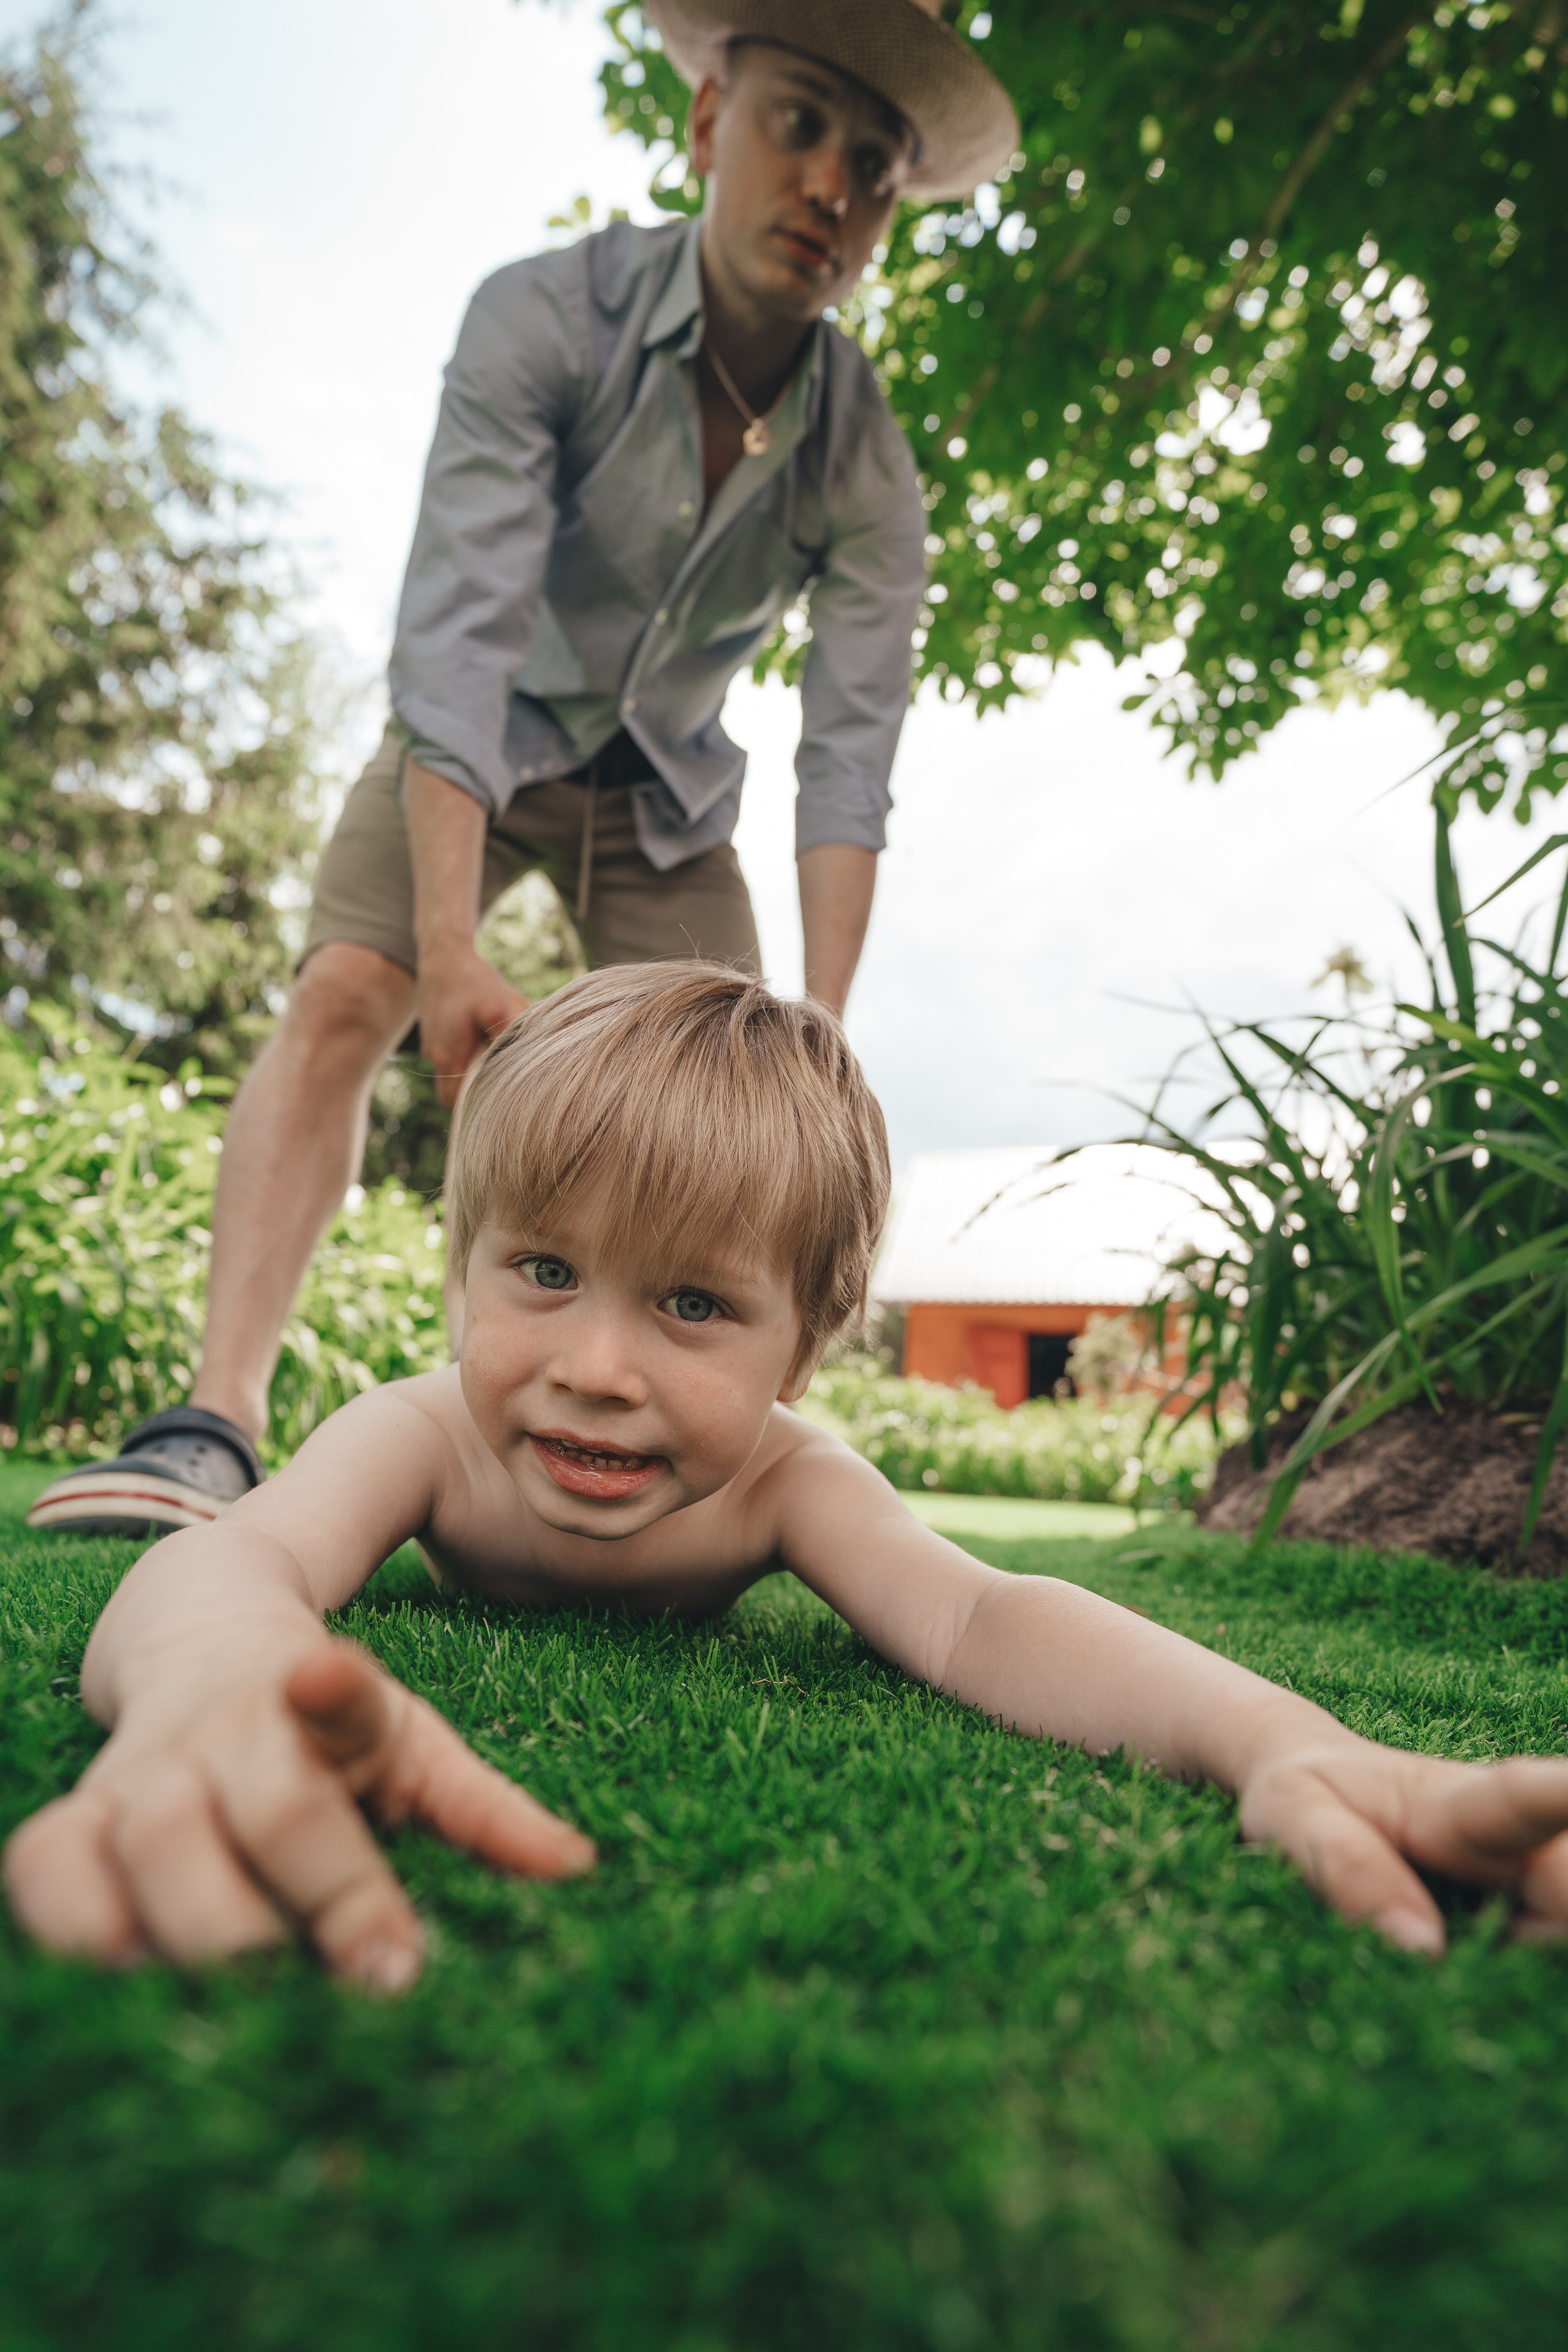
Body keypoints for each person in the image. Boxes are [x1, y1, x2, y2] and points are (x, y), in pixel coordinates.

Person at [10, 962, 1568, 1987]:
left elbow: (979, 1620)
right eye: (542, 1270)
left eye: (692, 1305)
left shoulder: (787, 1483)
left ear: (804, 1346)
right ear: (461, 1269)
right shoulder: (418, 1432)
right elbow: (236, 1560)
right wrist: (213, 1672)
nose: (600, 1366)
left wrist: (1275, 1743)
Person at [27, 0, 1019, 1539]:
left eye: (876, 167)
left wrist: (818, 1040)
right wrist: (442, 949)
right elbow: (459, 645)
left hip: (669, 789)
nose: (833, 185)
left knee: (738, 1117)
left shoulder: (862, 455)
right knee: (347, 992)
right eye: (800, 126)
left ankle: (721, 1479)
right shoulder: (544, 317)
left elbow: (847, 754)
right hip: (478, 742)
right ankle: (214, 1421)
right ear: (708, 127)